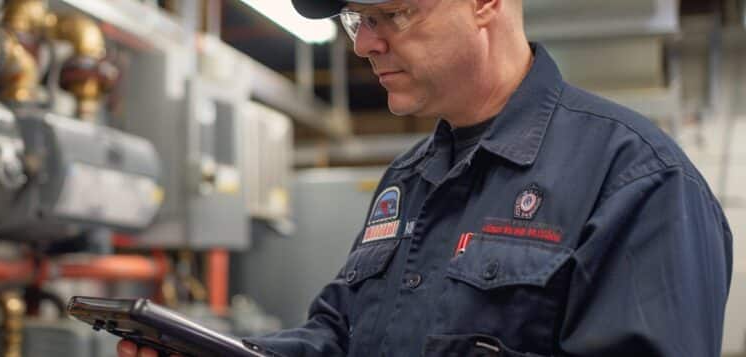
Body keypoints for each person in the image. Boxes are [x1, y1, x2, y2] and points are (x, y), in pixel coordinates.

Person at [120, 0, 734, 355]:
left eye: (392, 12)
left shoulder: (636, 180)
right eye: (358, 18)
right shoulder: (407, 179)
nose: (366, 45)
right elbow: (341, 334)